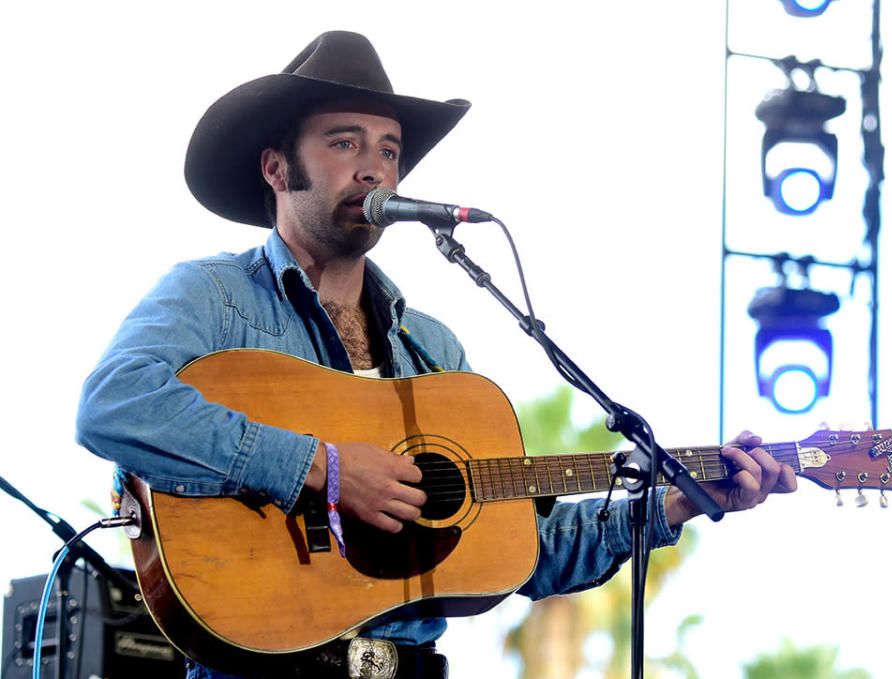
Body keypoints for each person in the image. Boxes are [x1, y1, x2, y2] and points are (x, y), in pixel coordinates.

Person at [76, 31, 797, 679]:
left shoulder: (433, 348)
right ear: (275, 167)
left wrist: (679, 501)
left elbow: (523, 551)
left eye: (388, 151)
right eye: (344, 142)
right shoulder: (214, 295)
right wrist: (322, 468)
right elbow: (112, 402)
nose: (373, 168)